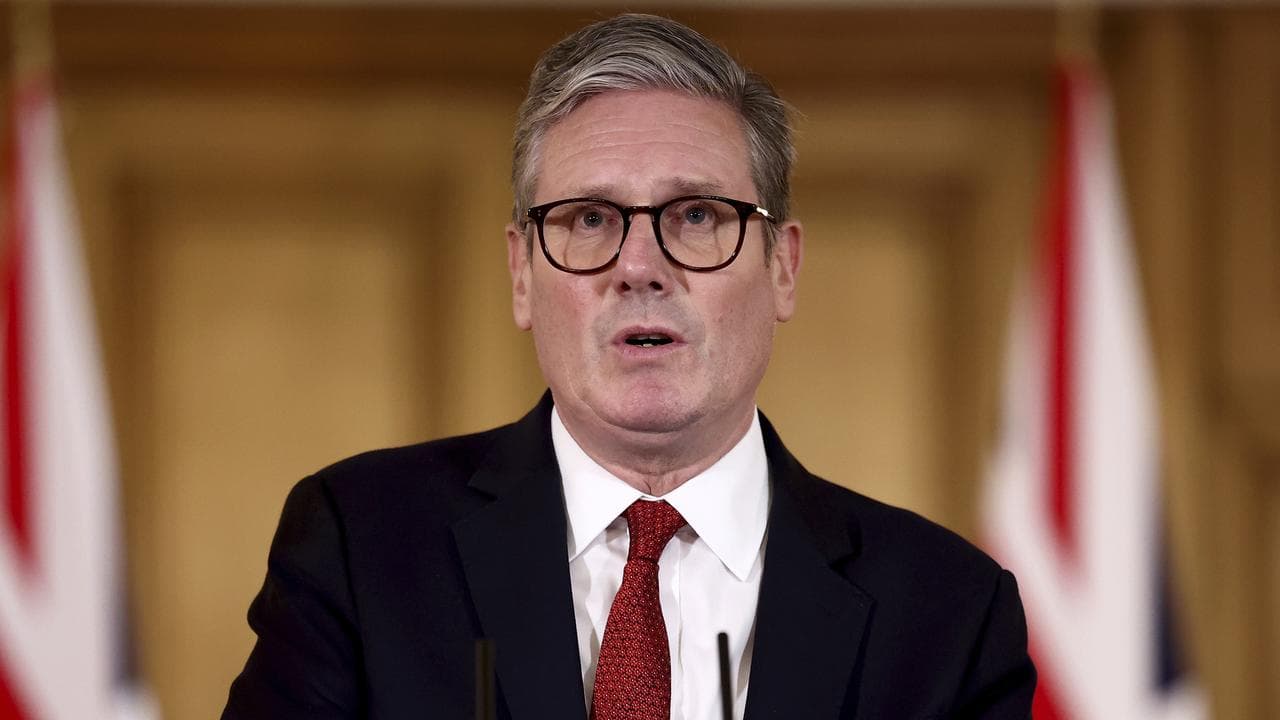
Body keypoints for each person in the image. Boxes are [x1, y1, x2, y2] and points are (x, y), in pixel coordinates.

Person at [223, 13, 1035, 720]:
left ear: (782, 267)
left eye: (696, 215)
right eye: (587, 218)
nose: (639, 265)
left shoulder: (946, 611)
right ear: (521, 273)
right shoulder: (361, 550)